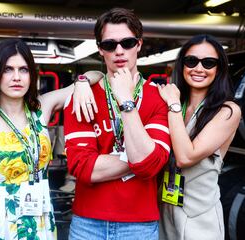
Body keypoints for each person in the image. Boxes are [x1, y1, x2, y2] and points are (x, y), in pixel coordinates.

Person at [0, 39, 102, 240]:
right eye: (8, 69)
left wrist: (81, 83)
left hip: (37, 221)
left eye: (24, 70)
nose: (16, 77)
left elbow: (97, 75)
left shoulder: (41, 109)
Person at [63, 8, 171, 240]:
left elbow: (150, 165)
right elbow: (82, 167)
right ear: (100, 49)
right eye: (110, 45)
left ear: (139, 44)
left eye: (127, 42)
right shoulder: (82, 96)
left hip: (139, 226)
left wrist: (126, 102)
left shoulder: (160, 97)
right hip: (87, 224)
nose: (119, 51)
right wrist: (138, 156)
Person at [157, 34, 241, 240]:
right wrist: (84, 80)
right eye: (191, 61)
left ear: (219, 68)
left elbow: (186, 157)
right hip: (164, 212)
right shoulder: (174, 102)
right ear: (182, 64)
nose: (199, 68)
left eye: (209, 62)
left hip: (199, 220)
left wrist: (173, 105)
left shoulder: (228, 110)